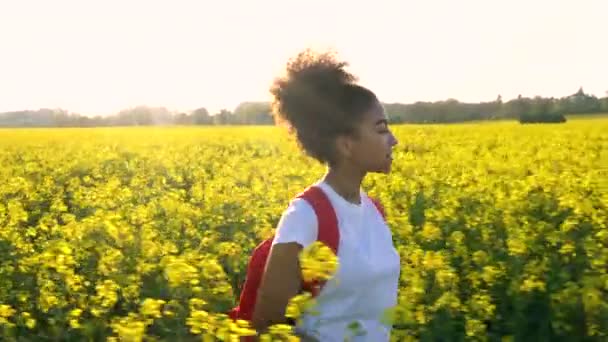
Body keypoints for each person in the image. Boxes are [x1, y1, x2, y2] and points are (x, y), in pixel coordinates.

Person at [251, 48, 401, 341]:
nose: (393, 140)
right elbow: (267, 328)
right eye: (381, 129)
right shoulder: (306, 216)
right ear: (346, 144)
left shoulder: (375, 212)